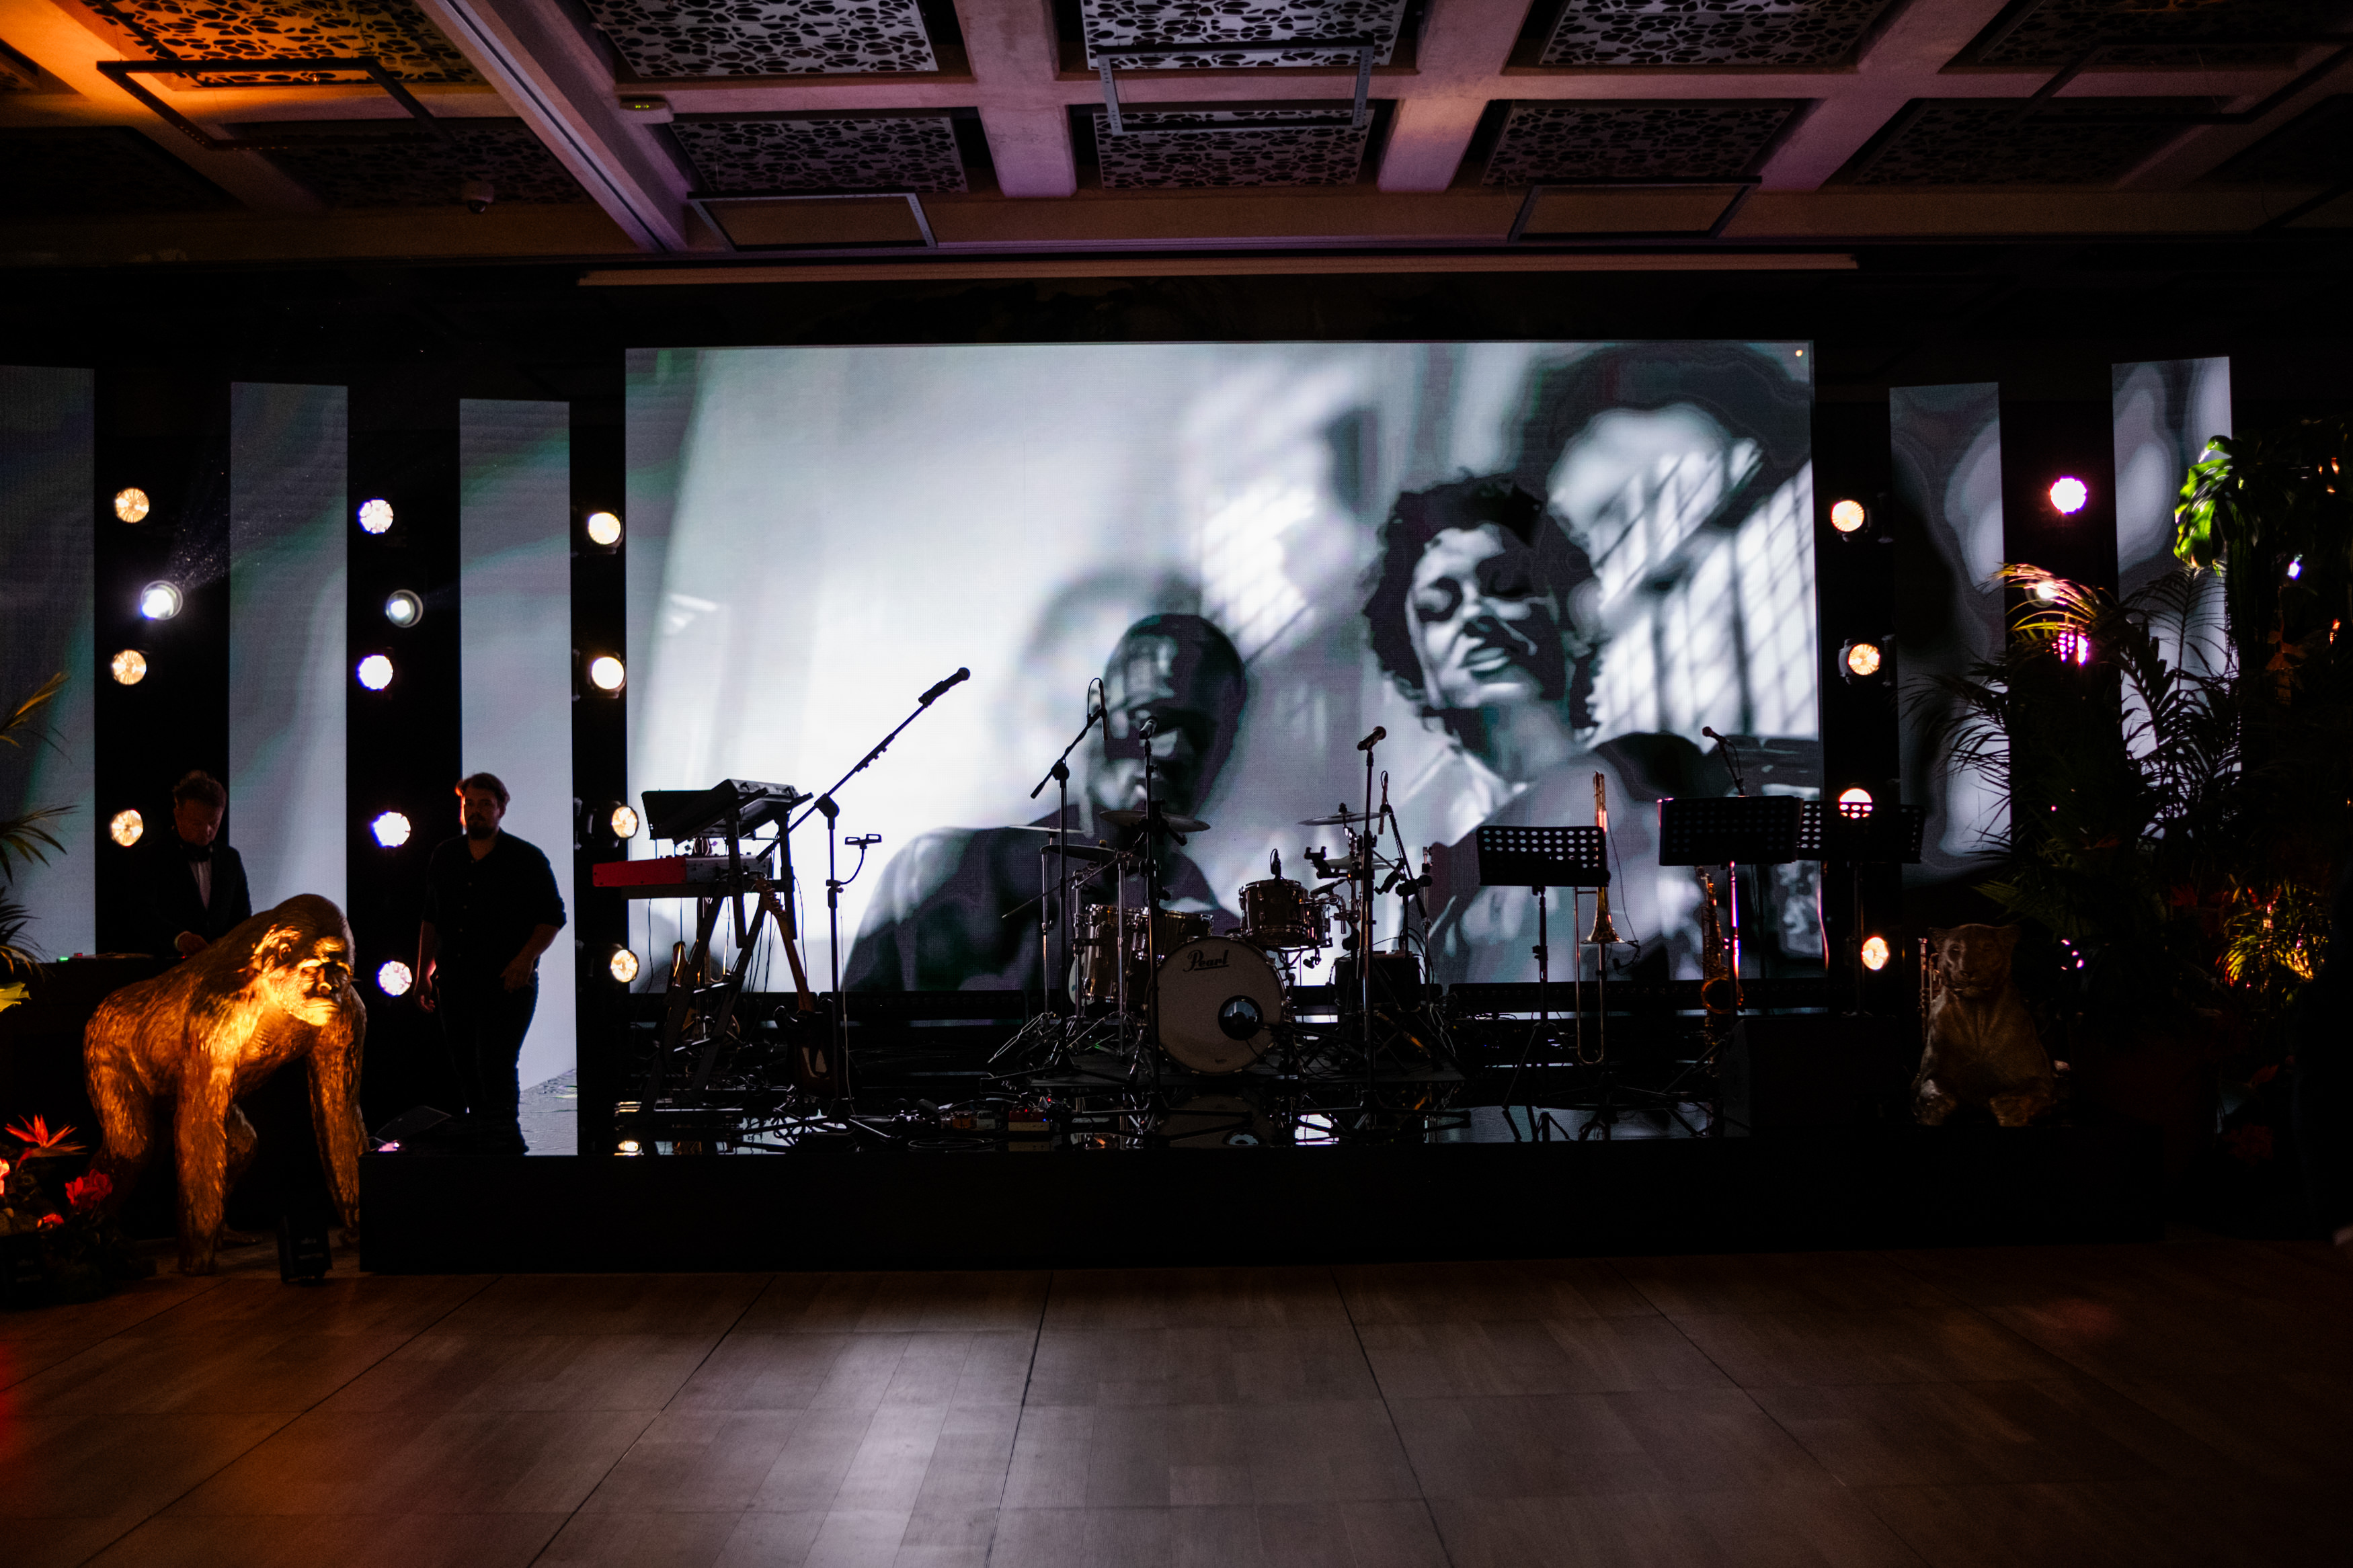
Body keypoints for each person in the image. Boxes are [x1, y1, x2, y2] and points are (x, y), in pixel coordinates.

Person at [844, 614, 1247, 993]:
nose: (1175, 750)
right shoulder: (931, 873)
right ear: (1097, 710)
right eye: (1151, 717)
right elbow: (852, 1047)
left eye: (1202, 736)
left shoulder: (1214, 942)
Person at [415, 772, 565, 1155]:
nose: (476, 811)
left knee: (496, 1063)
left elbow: (552, 918)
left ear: (500, 808)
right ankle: (484, 1144)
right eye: (470, 805)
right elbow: (432, 920)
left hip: (506, 982)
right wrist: (423, 975)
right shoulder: (445, 855)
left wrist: (524, 961)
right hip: (456, 981)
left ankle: (505, 1148)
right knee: (465, 1064)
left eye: (485, 804)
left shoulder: (525, 857)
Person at [141, 770, 252, 959]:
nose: (207, 831)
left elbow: (242, 917)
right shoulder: (151, 857)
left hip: (218, 969)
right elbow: (143, 915)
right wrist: (179, 939)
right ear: (178, 816)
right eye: (197, 824)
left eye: (214, 823)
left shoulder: (230, 859)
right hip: (166, 970)